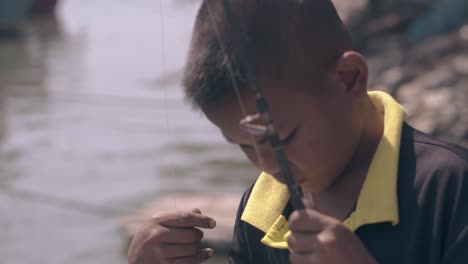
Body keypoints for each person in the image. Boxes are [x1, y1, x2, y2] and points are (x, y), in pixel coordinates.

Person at [127, 0, 468, 263]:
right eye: (244, 146)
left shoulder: (449, 188)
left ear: (350, 77)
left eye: (283, 137)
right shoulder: (260, 212)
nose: (267, 164)